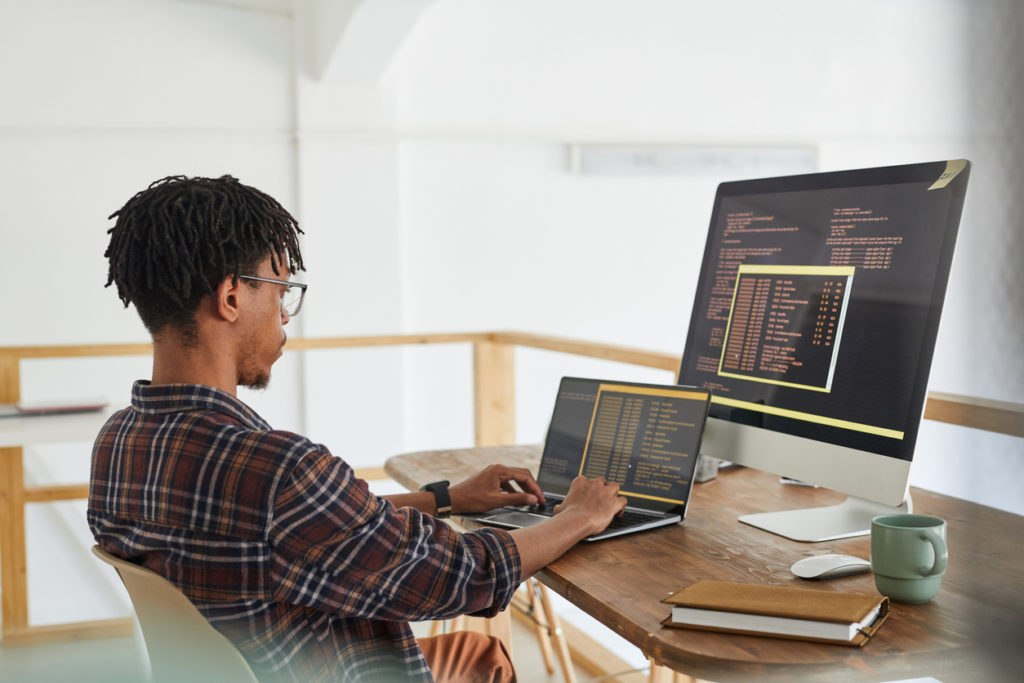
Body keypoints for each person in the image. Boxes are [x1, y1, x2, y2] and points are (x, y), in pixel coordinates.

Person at [89, 175, 627, 682]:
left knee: (475, 655)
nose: (285, 315)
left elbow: (302, 532)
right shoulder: (279, 469)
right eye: (280, 292)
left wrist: (445, 497)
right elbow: (464, 574)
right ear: (231, 297)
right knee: (484, 656)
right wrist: (579, 516)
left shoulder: (118, 442)